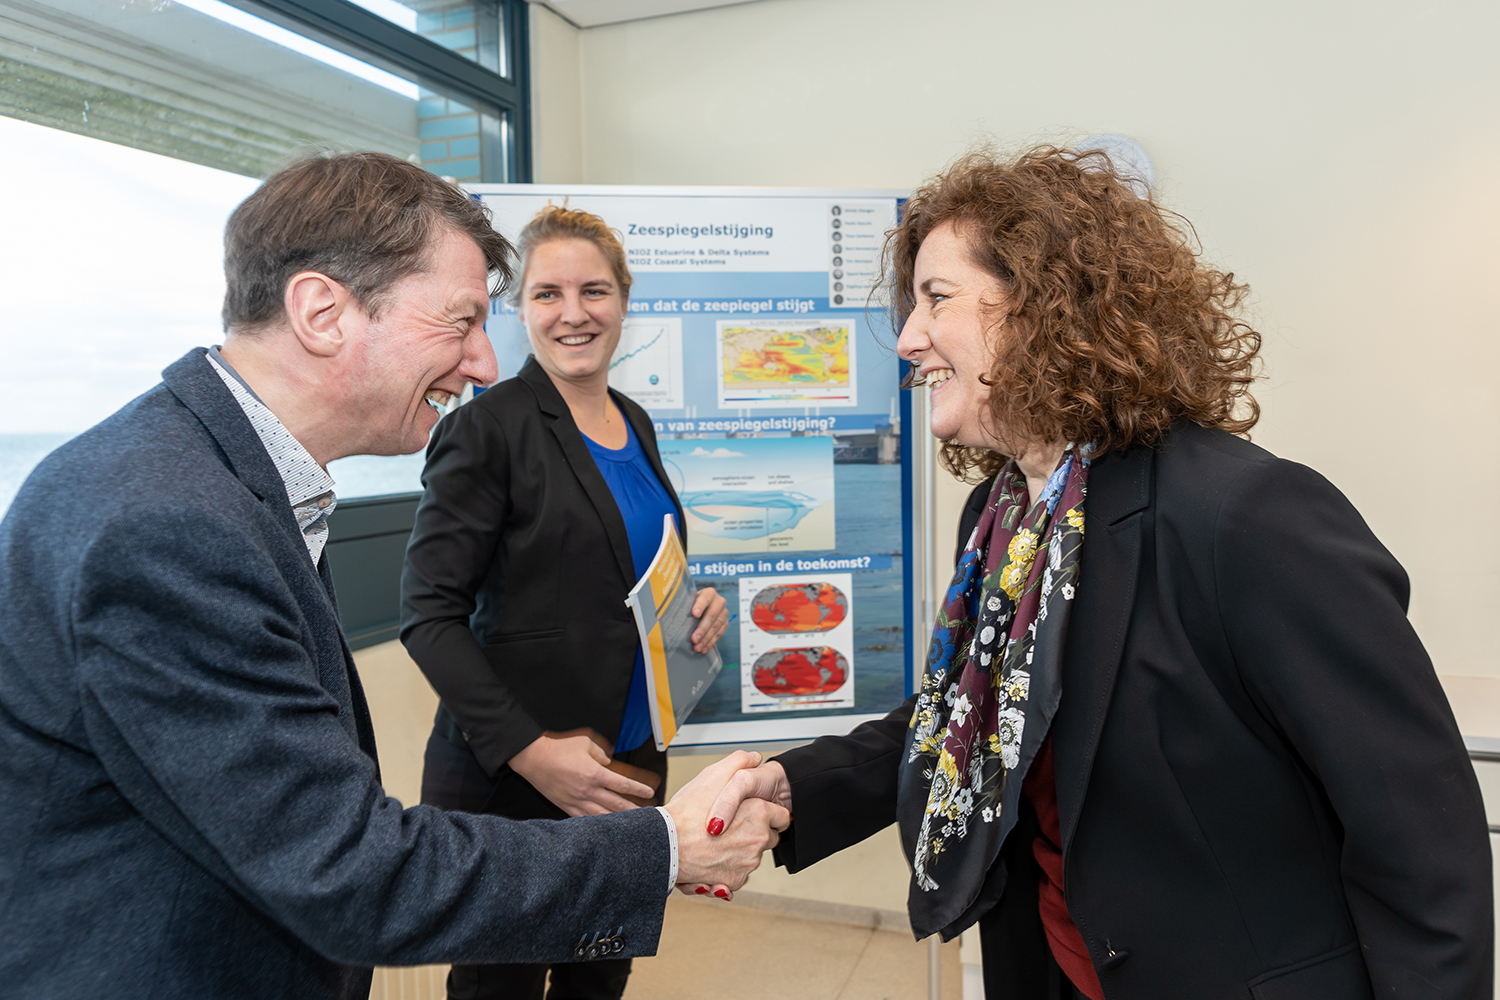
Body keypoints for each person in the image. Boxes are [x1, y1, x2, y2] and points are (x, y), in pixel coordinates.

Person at [698, 146, 1493, 999]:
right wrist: (791, 788)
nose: (908, 338)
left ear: (1043, 308)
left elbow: (1420, 840)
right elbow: (975, 713)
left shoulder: (1247, 518)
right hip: (1054, 968)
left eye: (936, 300)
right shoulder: (1005, 514)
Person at [0, 151, 787, 1000]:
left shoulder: (226, 481)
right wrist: (666, 846)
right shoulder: (168, 525)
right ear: (323, 311)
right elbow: (345, 867)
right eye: (460, 322)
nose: (485, 362)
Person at [399, 205, 729, 1000]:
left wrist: (694, 607)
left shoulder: (636, 421)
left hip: (626, 768)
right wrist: (530, 750)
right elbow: (427, 614)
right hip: (519, 777)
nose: (573, 313)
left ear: (623, 300)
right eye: (548, 293)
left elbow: (622, 570)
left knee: (597, 976)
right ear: (520, 310)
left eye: (594, 290)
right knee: (499, 989)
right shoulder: (489, 429)